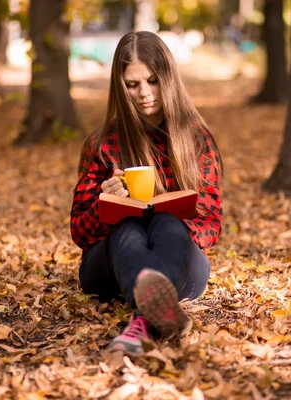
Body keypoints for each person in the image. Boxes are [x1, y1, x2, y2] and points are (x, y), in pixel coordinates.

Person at [70, 31, 223, 356]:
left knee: (166, 223)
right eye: (132, 84)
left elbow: (211, 224)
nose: (145, 93)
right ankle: (155, 317)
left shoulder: (195, 139)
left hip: (181, 260)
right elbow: (79, 232)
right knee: (127, 225)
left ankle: (142, 324)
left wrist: (171, 223)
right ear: (120, 86)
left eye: (153, 81)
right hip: (107, 267)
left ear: (168, 78)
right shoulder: (103, 143)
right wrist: (103, 204)